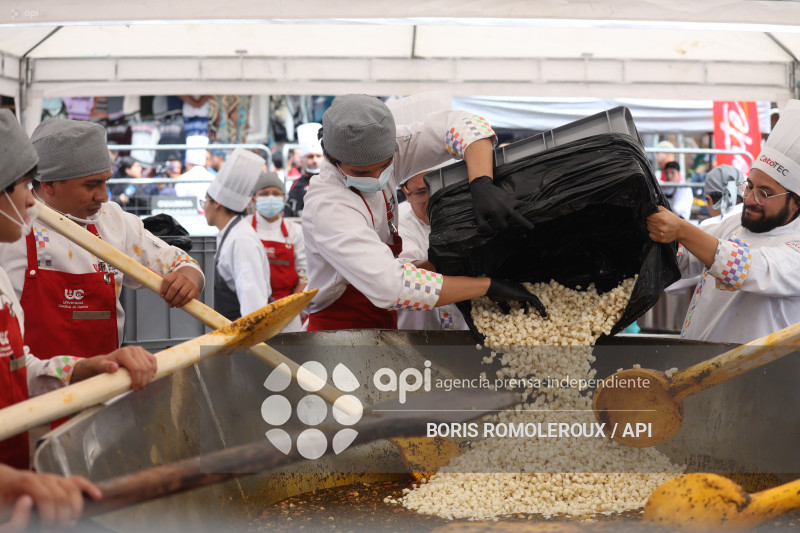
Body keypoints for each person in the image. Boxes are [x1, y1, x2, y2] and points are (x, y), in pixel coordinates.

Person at [0, 109, 157, 531]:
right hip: (27, 438)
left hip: (71, 413)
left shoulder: (111, 224)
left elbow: (20, 368)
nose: (31, 201)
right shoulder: (15, 247)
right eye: (23, 187)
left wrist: (86, 368)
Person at [302, 94, 546, 331]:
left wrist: (481, 182)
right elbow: (391, 287)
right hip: (337, 326)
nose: (377, 178)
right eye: (361, 173)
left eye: (385, 166)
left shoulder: (393, 146)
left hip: (382, 323)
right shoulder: (328, 206)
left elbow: (465, 124)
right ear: (332, 158)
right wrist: (486, 286)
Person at [0, 119, 205, 361]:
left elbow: (179, 262)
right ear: (49, 184)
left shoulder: (112, 220)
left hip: (106, 379)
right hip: (32, 382)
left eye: (105, 181)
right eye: (91, 185)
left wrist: (188, 277)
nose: (104, 196)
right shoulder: (10, 227)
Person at [647, 99, 800, 344]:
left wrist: (682, 229)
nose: (749, 199)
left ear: (796, 202)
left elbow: (749, 268)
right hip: (697, 357)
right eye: (749, 186)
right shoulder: (734, 224)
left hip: (755, 367)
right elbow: (687, 257)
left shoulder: (795, 248)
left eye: (764, 194)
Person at [397, 166, 468, 331]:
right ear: (406, 194)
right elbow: (409, 273)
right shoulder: (399, 223)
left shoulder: (467, 213)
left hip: (465, 330)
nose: (432, 200)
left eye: (439, 188)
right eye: (421, 192)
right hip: (417, 333)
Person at [203, 149, 271, 321]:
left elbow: (253, 306)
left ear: (217, 204)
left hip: (244, 332)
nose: (204, 208)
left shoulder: (241, 240)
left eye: (205, 201)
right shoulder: (230, 234)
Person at [251, 172, 307, 332]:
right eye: (264, 194)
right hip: (251, 309)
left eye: (276, 193)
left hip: (288, 313)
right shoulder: (244, 229)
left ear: (284, 198)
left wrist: (289, 307)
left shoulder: (295, 232)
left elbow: (305, 275)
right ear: (253, 199)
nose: (270, 197)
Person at [284, 123, 323, 218]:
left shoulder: (332, 181)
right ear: (302, 159)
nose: (315, 160)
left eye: (318, 156)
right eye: (310, 156)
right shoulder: (296, 185)